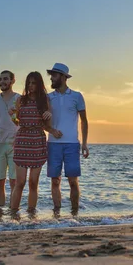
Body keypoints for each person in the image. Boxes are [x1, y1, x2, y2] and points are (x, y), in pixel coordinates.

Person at [9, 72, 62, 213]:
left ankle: (31, 213)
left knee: (33, 182)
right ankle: (14, 213)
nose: (31, 86)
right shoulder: (21, 100)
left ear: (39, 84)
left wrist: (51, 122)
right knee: (20, 182)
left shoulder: (44, 101)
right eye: (29, 83)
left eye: (34, 83)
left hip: (37, 141)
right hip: (22, 140)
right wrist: (12, 116)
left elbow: (46, 125)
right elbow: (16, 121)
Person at [46, 63, 89, 214]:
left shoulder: (77, 96)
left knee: (73, 181)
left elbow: (84, 120)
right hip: (53, 144)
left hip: (72, 144)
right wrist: (51, 130)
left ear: (64, 77)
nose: (51, 78)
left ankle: (74, 214)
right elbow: (42, 121)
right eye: (51, 75)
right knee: (55, 180)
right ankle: (56, 214)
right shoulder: (48, 97)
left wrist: (84, 143)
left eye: (54, 75)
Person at [0, 70, 20, 208]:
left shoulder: (19, 98)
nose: (2, 82)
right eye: (0, 79)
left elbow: (23, 121)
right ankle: (0, 212)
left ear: (13, 81)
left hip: (15, 144)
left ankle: (13, 211)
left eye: (5, 79)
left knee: (15, 182)